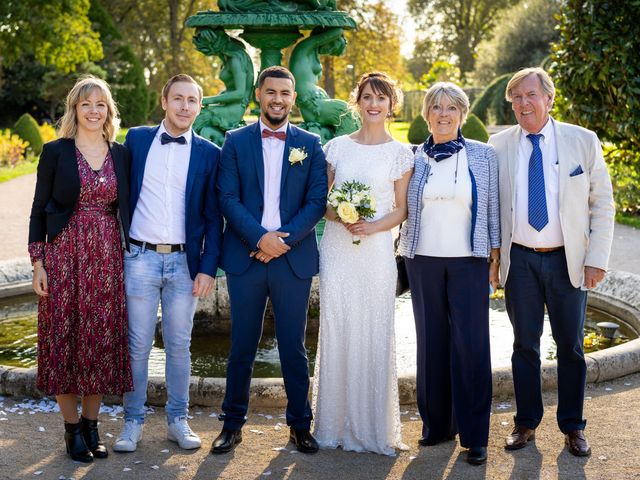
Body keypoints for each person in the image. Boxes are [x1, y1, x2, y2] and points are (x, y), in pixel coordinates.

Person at [488, 67, 615, 457]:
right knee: (524, 344)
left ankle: (573, 427)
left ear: (549, 98)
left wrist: (596, 259)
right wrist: (493, 260)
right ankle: (525, 423)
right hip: (520, 261)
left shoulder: (582, 141)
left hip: (567, 262)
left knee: (571, 347)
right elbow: (491, 209)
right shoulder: (498, 146)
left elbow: (603, 204)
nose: (523, 105)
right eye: (516, 99)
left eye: (530, 96)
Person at [212, 66, 327, 455]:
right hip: (246, 256)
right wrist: (259, 237)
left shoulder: (310, 144)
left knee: (293, 347)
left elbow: (316, 202)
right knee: (241, 345)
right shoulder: (235, 141)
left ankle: (300, 426)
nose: (278, 99)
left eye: (285, 93)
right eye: (271, 92)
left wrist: (281, 242)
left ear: (293, 98)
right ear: (259, 94)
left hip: (291, 259)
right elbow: (227, 197)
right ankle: (232, 425)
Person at [113, 74, 223, 452]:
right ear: (164, 101)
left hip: (183, 264)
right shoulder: (138, 140)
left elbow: (213, 217)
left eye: (192, 101)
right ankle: (133, 421)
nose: (184, 107)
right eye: (178, 99)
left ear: (199, 106)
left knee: (179, 344)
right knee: (138, 344)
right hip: (139, 257)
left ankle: (178, 419)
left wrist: (208, 267)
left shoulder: (210, 153)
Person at [28, 75, 132, 462]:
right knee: (64, 341)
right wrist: (38, 262)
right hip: (63, 257)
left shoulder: (120, 153)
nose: (93, 111)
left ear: (109, 111)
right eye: (86, 104)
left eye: (100, 104)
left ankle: (92, 425)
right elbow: (39, 210)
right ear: (75, 109)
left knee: (99, 342)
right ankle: (72, 430)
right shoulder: (55, 151)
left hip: (106, 258)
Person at [398, 82, 500, 465]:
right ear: (426, 114)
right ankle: (437, 426)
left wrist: (494, 255)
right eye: (436, 107)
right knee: (431, 344)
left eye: (451, 108)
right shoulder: (412, 156)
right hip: (421, 259)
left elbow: (492, 206)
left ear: (463, 114)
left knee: (471, 346)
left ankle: (475, 435)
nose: (443, 114)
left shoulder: (483, 155)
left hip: (469, 261)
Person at [312, 71, 413, 455]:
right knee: (337, 326)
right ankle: (332, 425)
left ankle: (373, 427)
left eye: (381, 98)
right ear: (358, 101)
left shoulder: (401, 153)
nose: (373, 104)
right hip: (338, 249)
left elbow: (401, 209)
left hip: (375, 254)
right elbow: (322, 201)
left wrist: (371, 226)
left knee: (374, 328)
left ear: (391, 105)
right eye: (367, 97)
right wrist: (338, 214)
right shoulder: (336, 147)